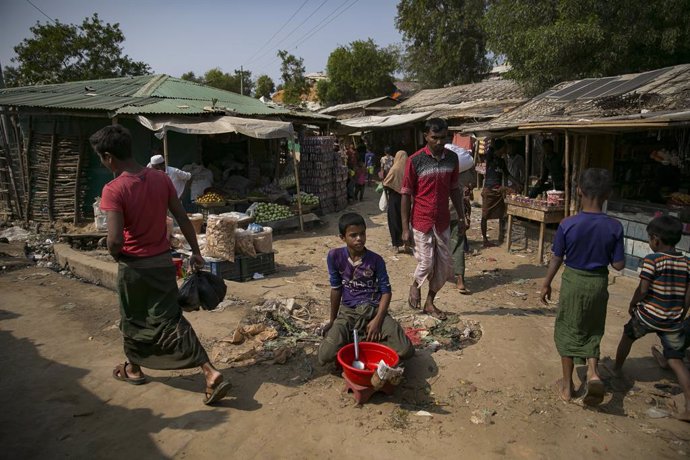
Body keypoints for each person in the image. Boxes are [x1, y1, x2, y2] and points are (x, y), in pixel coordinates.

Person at [92, 125, 231, 405]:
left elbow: (115, 241)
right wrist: (195, 251)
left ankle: (198, 371)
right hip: (163, 263)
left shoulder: (113, 189)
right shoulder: (160, 180)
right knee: (158, 318)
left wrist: (113, 252)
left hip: (135, 268)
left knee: (137, 318)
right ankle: (143, 367)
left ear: (108, 157)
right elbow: (182, 217)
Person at [540, 168, 625, 406]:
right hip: (598, 283)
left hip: (573, 282)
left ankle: (568, 387)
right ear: (608, 194)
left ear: (578, 191)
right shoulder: (615, 227)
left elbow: (556, 258)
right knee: (593, 327)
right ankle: (593, 373)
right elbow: (618, 265)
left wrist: (546, 284)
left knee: (568, 329)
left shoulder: (568, 224)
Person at [614, 216, 690, 421]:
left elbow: (643, 289)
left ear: (655, 240)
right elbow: (687, 295)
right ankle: (689, 407)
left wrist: (633, 303)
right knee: (676, 360)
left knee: (627, 336)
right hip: (673, 319)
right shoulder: (686, 262)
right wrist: (681, 313)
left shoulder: (652, 260)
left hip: (648, 315)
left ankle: (616, 369)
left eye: (649, 238)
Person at [318, 212, 414, 365]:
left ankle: (362, 342)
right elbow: (336, 288)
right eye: (353, 235)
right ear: (343, 238)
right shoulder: (334, 256)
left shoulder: (376, 260)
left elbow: (386, 292)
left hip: (373, 310)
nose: (359, 239)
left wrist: (377, 320)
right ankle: (357, 340)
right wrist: (332, 320)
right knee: (324, 356)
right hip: (348, 312)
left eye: (362, 234)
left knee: (406, 350)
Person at [401, 118, 466, 320]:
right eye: (434, 137)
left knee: (445, 266)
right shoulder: (415, 160)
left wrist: (462, 216)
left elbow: (455, 189)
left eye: (443, 137)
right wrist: (405, 228)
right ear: (426, 136)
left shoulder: (452, 159)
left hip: (443, 220)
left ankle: (430, 301)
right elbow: (405, 194)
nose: (439, 142)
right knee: (427, 262)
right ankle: (415, 286)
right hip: (421, 220)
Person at [450, 167, 476, 295]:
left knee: (439, 246)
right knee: (458, 245)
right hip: (455, 213)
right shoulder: (462, 176)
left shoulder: (440, 172)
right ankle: (460, 280)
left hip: (441, 215)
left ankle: (438, 275)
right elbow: (467, 196)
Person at [480, 139, 510, 247]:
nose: (506, 149)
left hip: (498, 192)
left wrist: (517, 183)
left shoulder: (502, 162)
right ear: (501, 148)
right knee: (485, 216)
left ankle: (501, 237)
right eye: (505, 147)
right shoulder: (490, 158)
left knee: (502, 214)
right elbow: (490, 150)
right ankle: (484, 240)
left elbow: (507, 174)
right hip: (489, 191)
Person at [382, 150, 409, 253]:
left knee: (394, 221)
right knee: (406, 221)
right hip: (407, 199)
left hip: (394, 199)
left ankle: (396, 245)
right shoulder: (410, 168)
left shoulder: (395, 169)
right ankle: (407, 244)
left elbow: (386, 183)